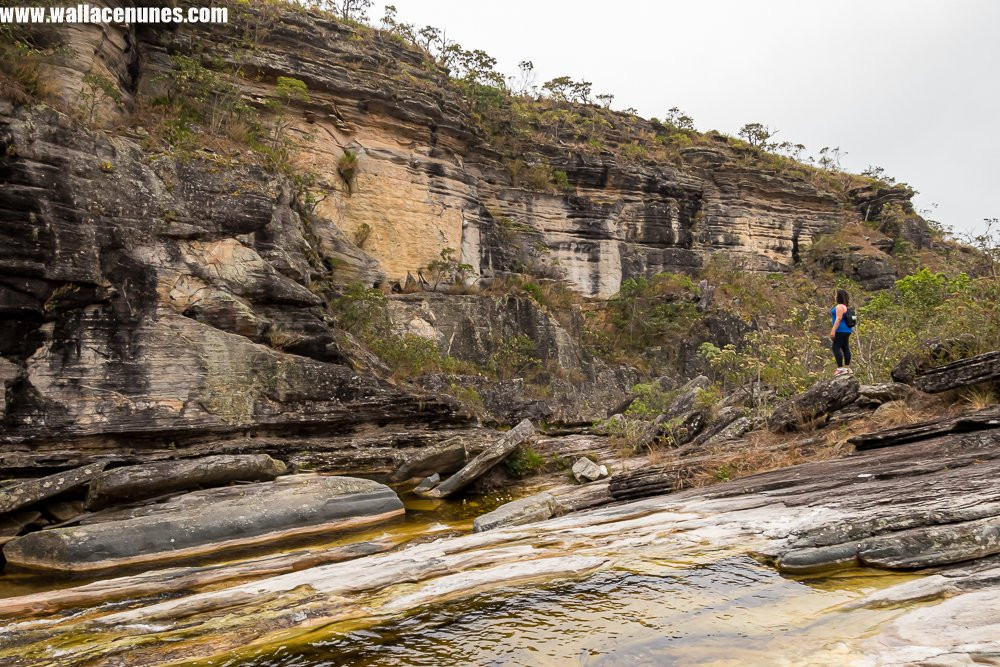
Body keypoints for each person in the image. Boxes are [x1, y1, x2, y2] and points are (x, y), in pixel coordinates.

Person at [829, 289, 853, 376]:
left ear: (838, 297)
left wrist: (833, 330)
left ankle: (840, 368)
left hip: (840, 330)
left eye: (836, 295)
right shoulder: (846, 307)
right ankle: (847, 368)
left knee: (835, 347)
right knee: (845, 347)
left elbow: (838, 319)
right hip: (847, 330)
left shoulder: (839, 306)